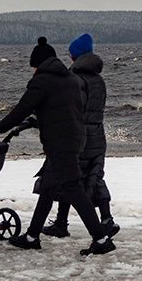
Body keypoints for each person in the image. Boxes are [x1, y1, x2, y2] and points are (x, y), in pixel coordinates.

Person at [0, 36, 115, 256]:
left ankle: (101, 238)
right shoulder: (68, 79)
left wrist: (0, 126)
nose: (33, 70)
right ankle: (32, 236)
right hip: (77, 139)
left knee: (74, 189)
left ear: (39, 64)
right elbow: (65, 109)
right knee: (47, 188)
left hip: (61, 144)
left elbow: (23, 108)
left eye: (34, 66)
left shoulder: (43, 81)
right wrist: (40, 120)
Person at [43, 32, 118, 239]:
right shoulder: (99, 80)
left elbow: (73, 109)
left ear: (75, 56)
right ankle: (106, 218)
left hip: (79, 135)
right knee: (95, 174)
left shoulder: (75, 79)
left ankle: (61, 223)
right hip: (98, 135)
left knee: (69, 176)